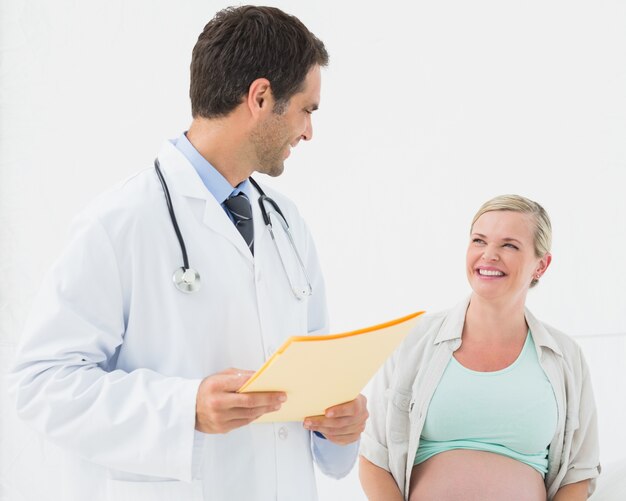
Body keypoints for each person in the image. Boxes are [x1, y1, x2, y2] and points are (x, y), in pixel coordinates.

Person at [9, 6, 367, 501]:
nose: (308, 132)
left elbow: (317, 369)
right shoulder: (120, 221)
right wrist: (184, 408)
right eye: (307, 109)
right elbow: (41, 384)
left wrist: (337, 421)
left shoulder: (285, 224)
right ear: (260, 97)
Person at [359, 195, 600, 501]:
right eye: (479, 241)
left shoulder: (566, 356)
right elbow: (373, 457)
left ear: (541, 265)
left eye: (509, 245)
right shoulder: (415, 340)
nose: (489, 255)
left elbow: (579, 473)